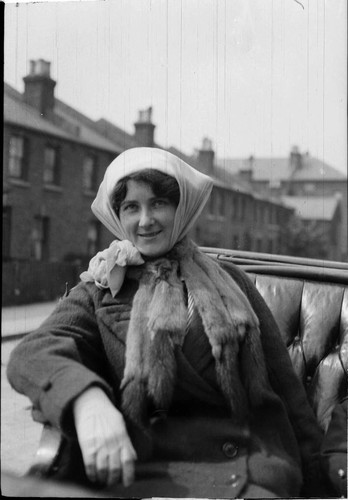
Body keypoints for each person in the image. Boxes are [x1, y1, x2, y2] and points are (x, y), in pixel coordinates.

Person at [7, 147, 325, 498]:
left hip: (243, 468)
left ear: (181, 209)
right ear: (117, 215)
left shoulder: (231, 281)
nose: (146, 221)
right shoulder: (99, 290)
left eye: (158, 203)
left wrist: (322, 483)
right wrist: (88, 402)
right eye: (131, 207)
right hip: (139, 470)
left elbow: (288, 392)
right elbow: (33, 353)